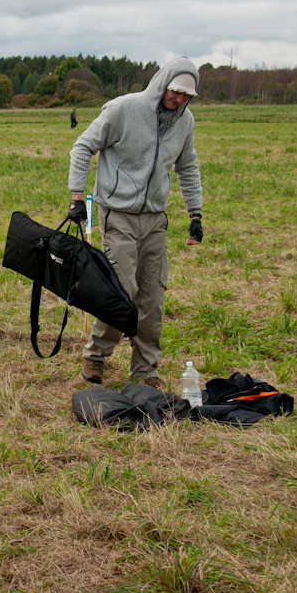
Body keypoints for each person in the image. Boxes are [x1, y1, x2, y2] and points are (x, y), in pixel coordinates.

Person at [67, 56, 203, 389]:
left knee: (153, 297)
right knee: (122, 291)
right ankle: (95, 357)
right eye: (175, 91)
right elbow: (82, 147)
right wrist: (75, 196)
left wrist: (196, 214)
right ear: (163, 83)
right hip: (118, 215)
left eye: (187, 95)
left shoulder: (185, 123)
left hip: (155, 218)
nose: (179, 99)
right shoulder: (122, 110)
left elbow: (188, 167)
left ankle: (145, 370)